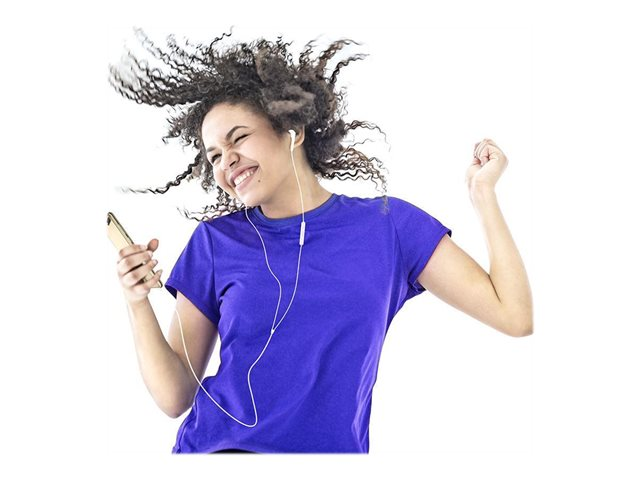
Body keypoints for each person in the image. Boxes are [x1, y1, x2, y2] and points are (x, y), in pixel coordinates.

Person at [110, 27, 533, 454]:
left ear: (291, 129)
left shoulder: (389, 227)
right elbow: (174, 396)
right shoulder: (215, 243)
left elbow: (513, 316)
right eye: (214, 155)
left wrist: (483, 195)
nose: (226, 162)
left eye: (238, 138)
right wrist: (136, 300)